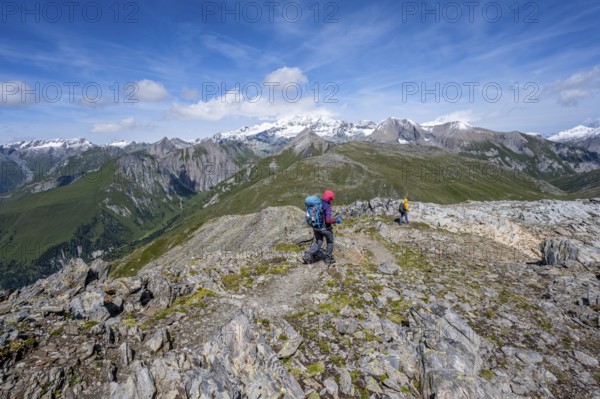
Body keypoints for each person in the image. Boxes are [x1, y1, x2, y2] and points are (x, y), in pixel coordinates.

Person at [303, 189, 342, 265]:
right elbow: (328, 220)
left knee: (319, 241)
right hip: (325, 228)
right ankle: (328, 258)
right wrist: (337, 220)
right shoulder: (327, 206)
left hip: (315, 227)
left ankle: (308, 254)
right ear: (330, 198)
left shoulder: (318, 202)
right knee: (330, 242)